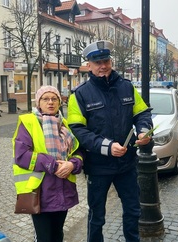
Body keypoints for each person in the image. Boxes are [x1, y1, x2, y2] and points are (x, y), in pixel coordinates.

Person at [67, 40, 153, 242]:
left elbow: (142, 114)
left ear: (111, 61)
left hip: (127, 165)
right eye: (97, 62)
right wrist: (106, 147)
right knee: (97, 216)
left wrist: (143, 132)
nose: (103, 66)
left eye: (106, 60)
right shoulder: (79, 95)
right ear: (88, 65)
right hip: (98, 166)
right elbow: (78, 130)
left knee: (133, 210)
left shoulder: (127, 87)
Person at [12, 85, 84, 242]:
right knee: (44, 237)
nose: (50, 102)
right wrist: (54, 165)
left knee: (58, 234)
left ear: (59, 102)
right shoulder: (29, 122)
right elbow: (22, 155)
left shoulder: (64, 124)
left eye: (54, 99)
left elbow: (77, 151)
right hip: (40, 192)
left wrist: (72, 164)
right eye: (45, 99)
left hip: (64, 190)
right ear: (39, 102)